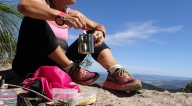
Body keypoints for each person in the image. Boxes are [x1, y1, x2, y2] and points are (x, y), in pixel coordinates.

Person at [12, 0, 142, 91]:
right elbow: (23, 6)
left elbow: (98, 26)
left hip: (58, 64)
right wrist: (61, 16)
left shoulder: (72, 12)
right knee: (33, 19)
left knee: (91, 35)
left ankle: (115, 72)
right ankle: (71, 69)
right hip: (29, 64)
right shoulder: (42, 3)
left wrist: (100, 33)